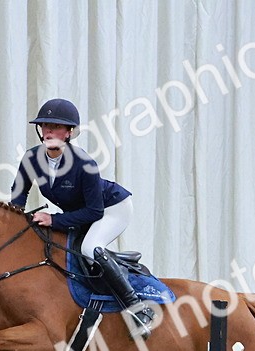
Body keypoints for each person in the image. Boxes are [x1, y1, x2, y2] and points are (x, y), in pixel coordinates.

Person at [11, 98, 155, 338]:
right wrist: (14, 223)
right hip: (80, 212)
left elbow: (94, 212)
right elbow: (19, 194)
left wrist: (53, 220)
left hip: (112, 208)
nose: (49, 131)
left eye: (56, 127)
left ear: (68, 133)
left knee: (89, 248)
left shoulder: (84, 163)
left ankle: (138, 309)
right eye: (45, 125)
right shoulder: (30, 158)